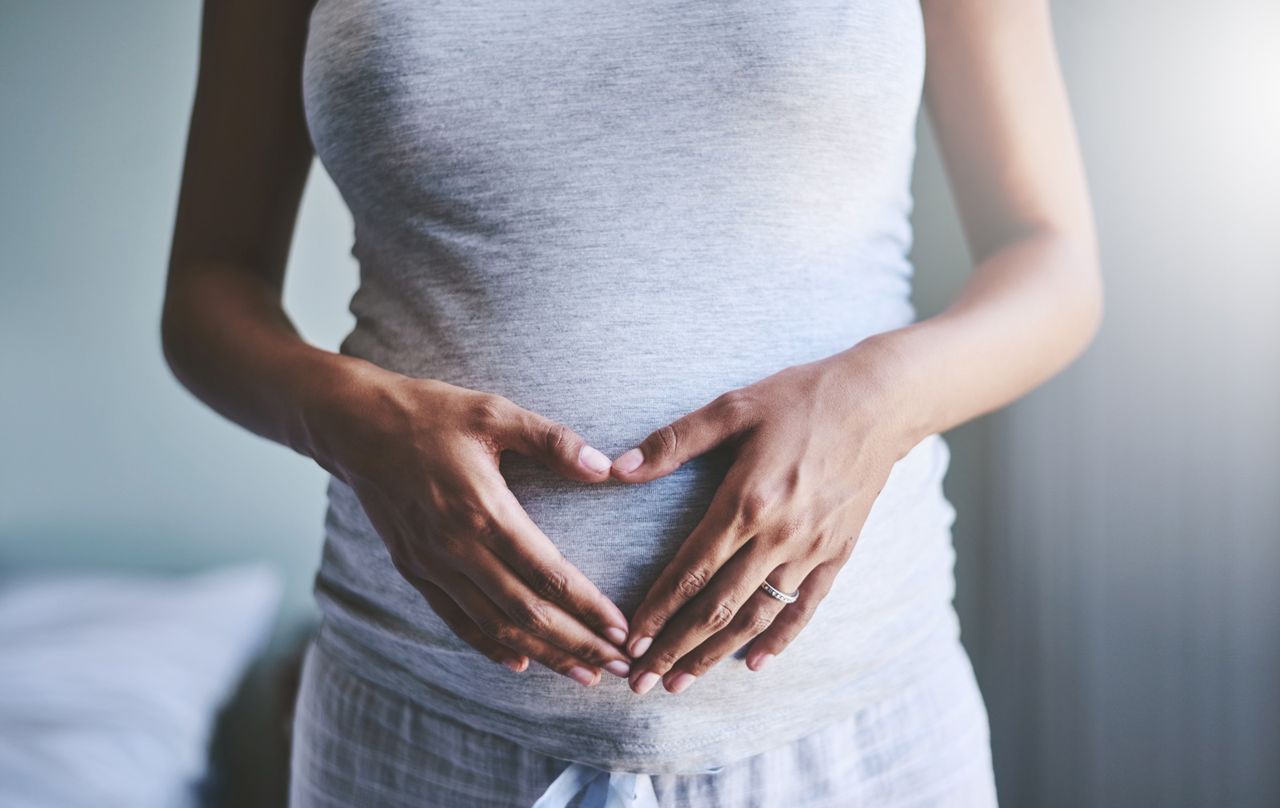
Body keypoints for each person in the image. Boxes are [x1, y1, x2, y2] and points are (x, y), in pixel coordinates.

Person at [163, 0, 1102, 805]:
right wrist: (346, 416)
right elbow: (209, 286)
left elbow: (1050, 260)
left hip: (854, 730)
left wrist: (878, 399)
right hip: (418, 725)